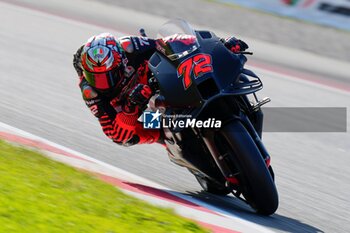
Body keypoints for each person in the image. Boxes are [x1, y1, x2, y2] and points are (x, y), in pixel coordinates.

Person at [72, 32, 248, 147]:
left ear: (122, 62)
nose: (104, 83)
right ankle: (175, 143)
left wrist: (220, 44)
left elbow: (170, 42)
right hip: (139, 113)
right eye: (95, 77)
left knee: (237, 76)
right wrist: (131, 107)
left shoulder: (130, 47)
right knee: (127, 139)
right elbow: (115, 133)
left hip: (159, 82)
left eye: (108, 76)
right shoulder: (91, 92)